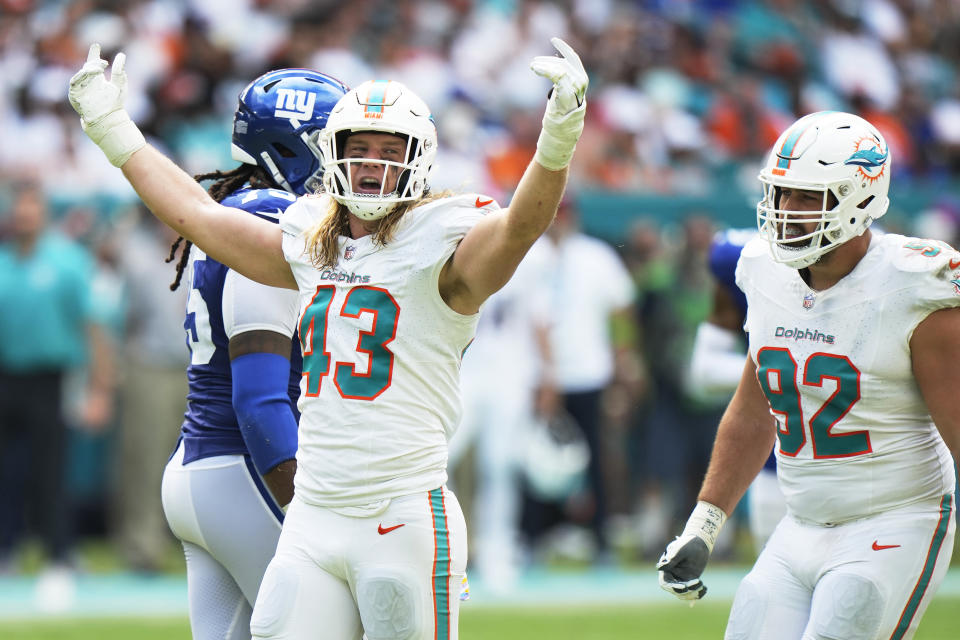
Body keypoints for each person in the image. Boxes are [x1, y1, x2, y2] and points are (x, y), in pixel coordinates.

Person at [69, 36, 587, 640]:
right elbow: (201, 218)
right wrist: (111, 129)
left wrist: (557, 139)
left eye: (388, 150)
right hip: (314, 514)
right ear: (329, 154)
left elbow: (521, 226)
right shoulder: (311, 239)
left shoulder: (440, 238)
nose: (371, 163)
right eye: (357, 148)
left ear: (418, 159)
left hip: (401, 514)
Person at [657, 110, 960, 640]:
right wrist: (703, 526)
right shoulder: (760, 270)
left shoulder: (915, 288)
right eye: (781, 194)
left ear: (861, 198)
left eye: (806, 197)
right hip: (798, 526)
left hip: (894, 521)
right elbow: (754, 413)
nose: (786, 211)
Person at [158, 69, 347, 639]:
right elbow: (260, 397)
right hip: (245, 465)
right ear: (295, 147)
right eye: (338, 146)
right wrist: (311, 515)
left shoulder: (240, 211)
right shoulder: (272, 218)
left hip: (208, 466)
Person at [0, 181, 114, 610]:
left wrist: (100, 389)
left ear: (43, 212)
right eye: (19, 208)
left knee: (52, 469)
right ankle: (6, 550)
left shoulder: (67, 262)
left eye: (32, 208)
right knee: (6, 471)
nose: (25, 215)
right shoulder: (4, 263)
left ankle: (58, 554)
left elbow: (94, 328)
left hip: (52, 378)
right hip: (7, 377)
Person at [688, 227, 787, 555]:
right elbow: (704, 372)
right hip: (779, 458)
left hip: (858, 462)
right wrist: (775, 371)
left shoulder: (870, 260)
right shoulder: (744, 259)